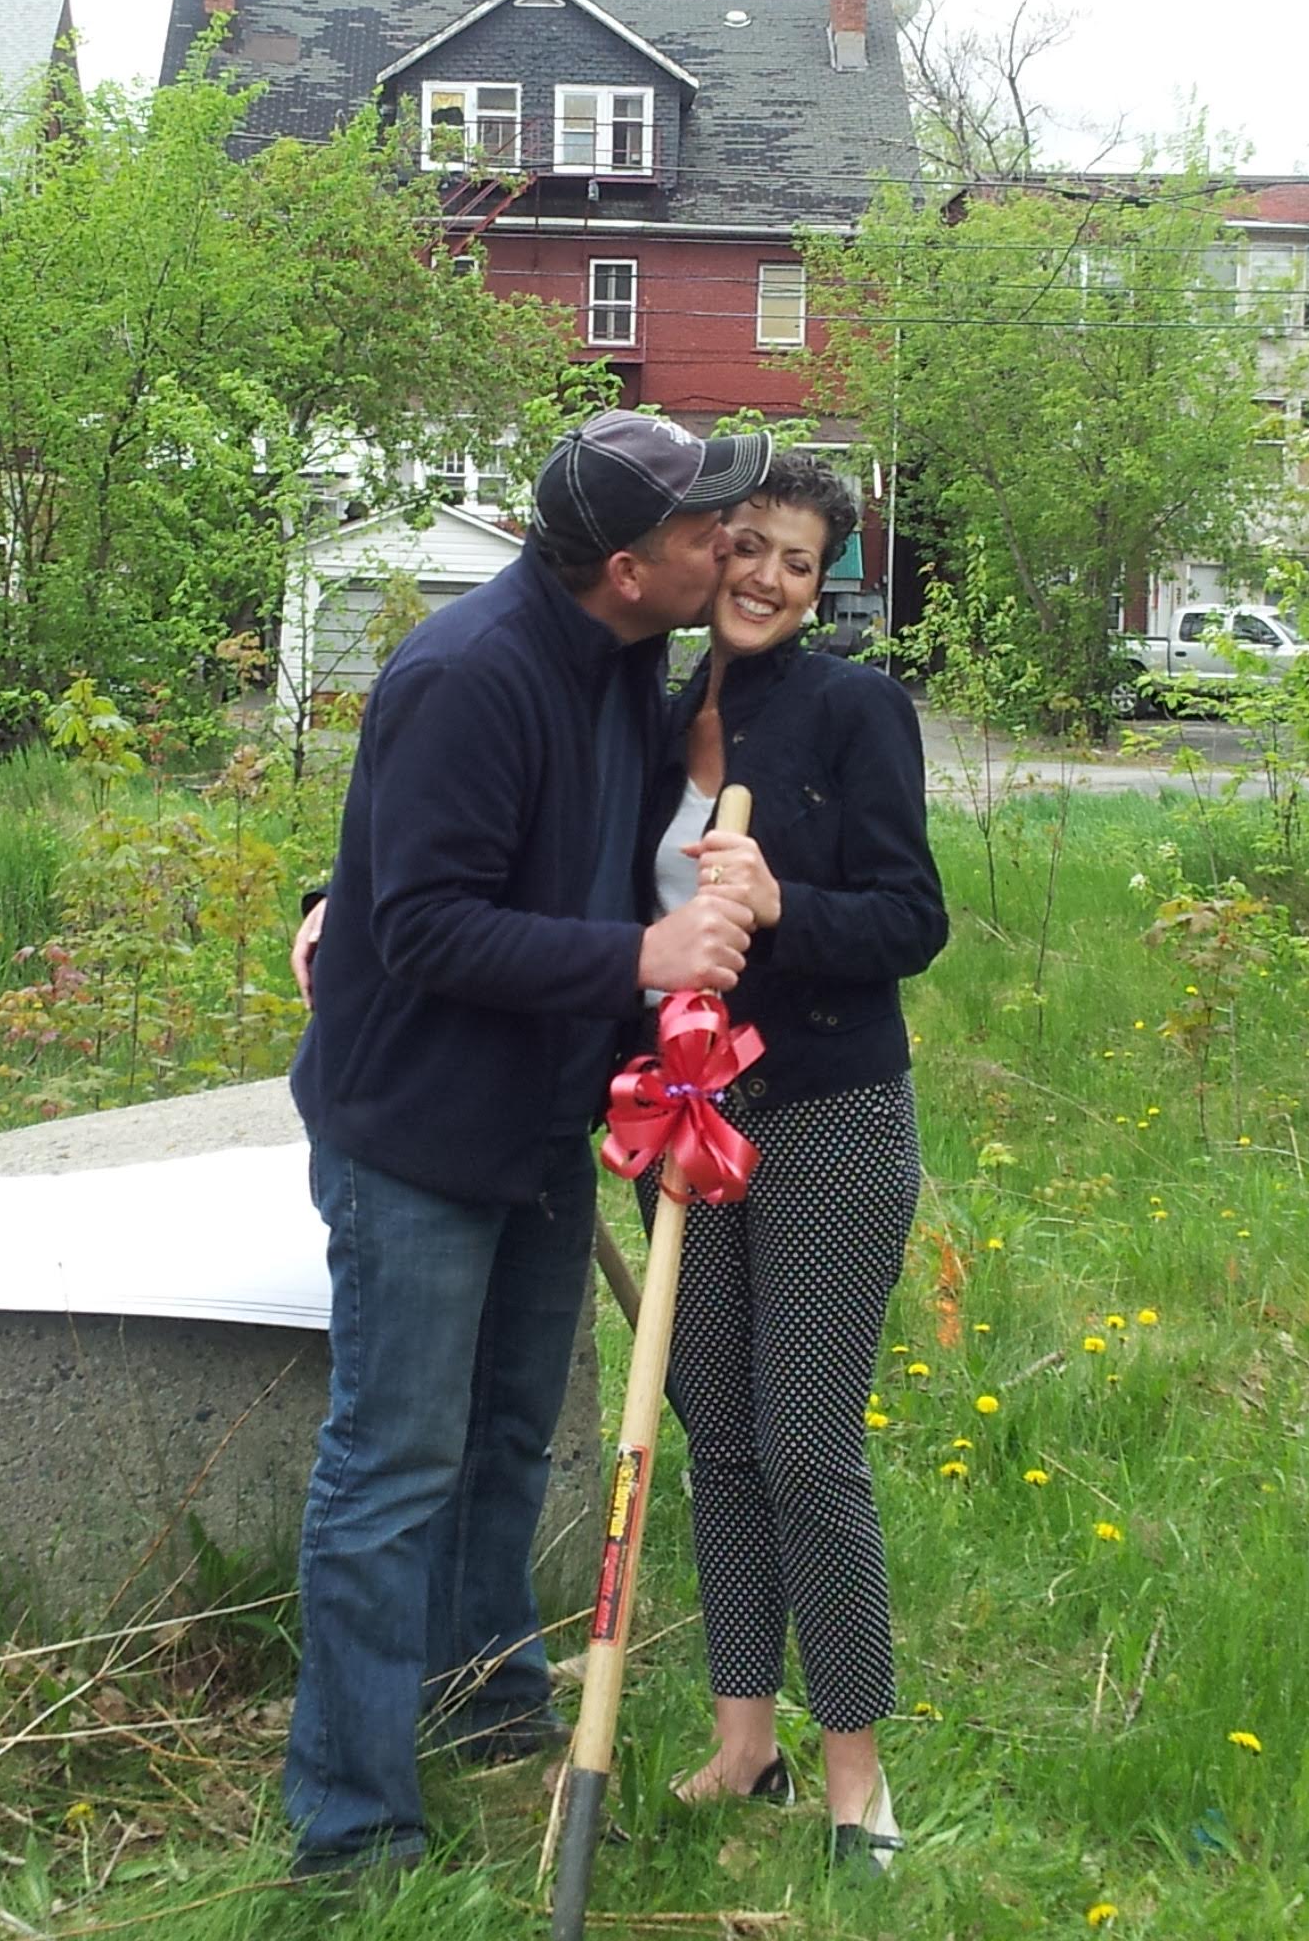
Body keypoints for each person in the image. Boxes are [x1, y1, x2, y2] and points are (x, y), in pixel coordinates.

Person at [280, 410, 768, 1884]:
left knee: (505, 1437)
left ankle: (482, 1698)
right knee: (394, 1462)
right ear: (627, 564)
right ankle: (350, 1828)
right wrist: (645, 951)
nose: (728, 548)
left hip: (545, 1117)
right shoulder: (465, 675)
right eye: (706, 533)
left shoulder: (621, 663)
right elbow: (425, 922)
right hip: (417, 1128)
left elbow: (494, 852)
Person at [638, 449, 947, 1876]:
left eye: (799, 563)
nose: (765, 579)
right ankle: (745, 1739)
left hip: (827, 1115)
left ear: (825, 587)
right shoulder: (648, 715)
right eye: (748, 547)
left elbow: (911, 917)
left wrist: (787, 904)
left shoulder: (853, 709)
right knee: (721, 1442)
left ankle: (856, 1780)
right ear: (704, 552)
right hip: (685, 1123)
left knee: (811, 1450)